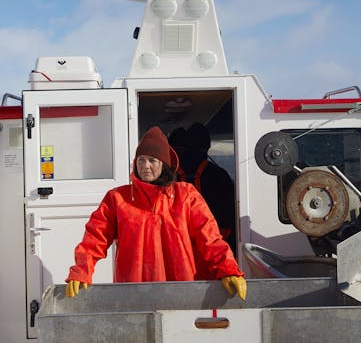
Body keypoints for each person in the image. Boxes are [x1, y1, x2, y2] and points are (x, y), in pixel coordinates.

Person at [65, 126, 246, 300]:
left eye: (152, 160)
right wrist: (82, 270)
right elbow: (95, 238)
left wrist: (227, 268)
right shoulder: (118, 198)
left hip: (182, 290)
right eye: (141, 160)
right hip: (133, 292)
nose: (146, 166)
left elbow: (210, 239)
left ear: (164, 164)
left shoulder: (186, 195)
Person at [170, 123, 236, 254]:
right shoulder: (219, 175)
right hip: (212, 245)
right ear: (207, 147)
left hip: (179, 246)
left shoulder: (169, 176)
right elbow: (228, 215)